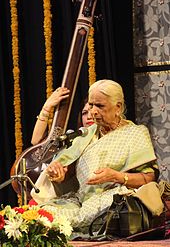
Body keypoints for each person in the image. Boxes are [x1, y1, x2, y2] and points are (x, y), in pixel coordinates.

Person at [31, 79, 159, 235]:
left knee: (79, 218)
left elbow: (149, 178)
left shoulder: (136, 133)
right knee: (43, 213)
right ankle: (69, 225)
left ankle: (72, 226)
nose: (93, 111)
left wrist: (117, 176)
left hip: (114, 198)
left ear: (117, 107)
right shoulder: (86, 135)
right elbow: (66, 173)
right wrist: (58, 173)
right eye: (91, 105)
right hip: (81, 199)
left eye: (100, 106)